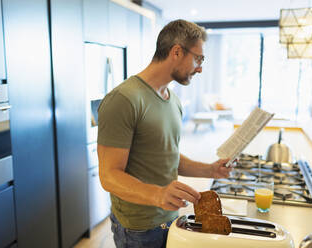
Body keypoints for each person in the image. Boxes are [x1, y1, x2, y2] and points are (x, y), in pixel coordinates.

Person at [97, 19, 232, 248]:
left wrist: (210, 170)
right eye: (198, 58)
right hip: (138, 229)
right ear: (177, 52)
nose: (200, 68)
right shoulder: (124, 100)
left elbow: (167, 158)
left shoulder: (174, 101)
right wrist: (158, 195)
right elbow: (109, 175)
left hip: (171, 219)